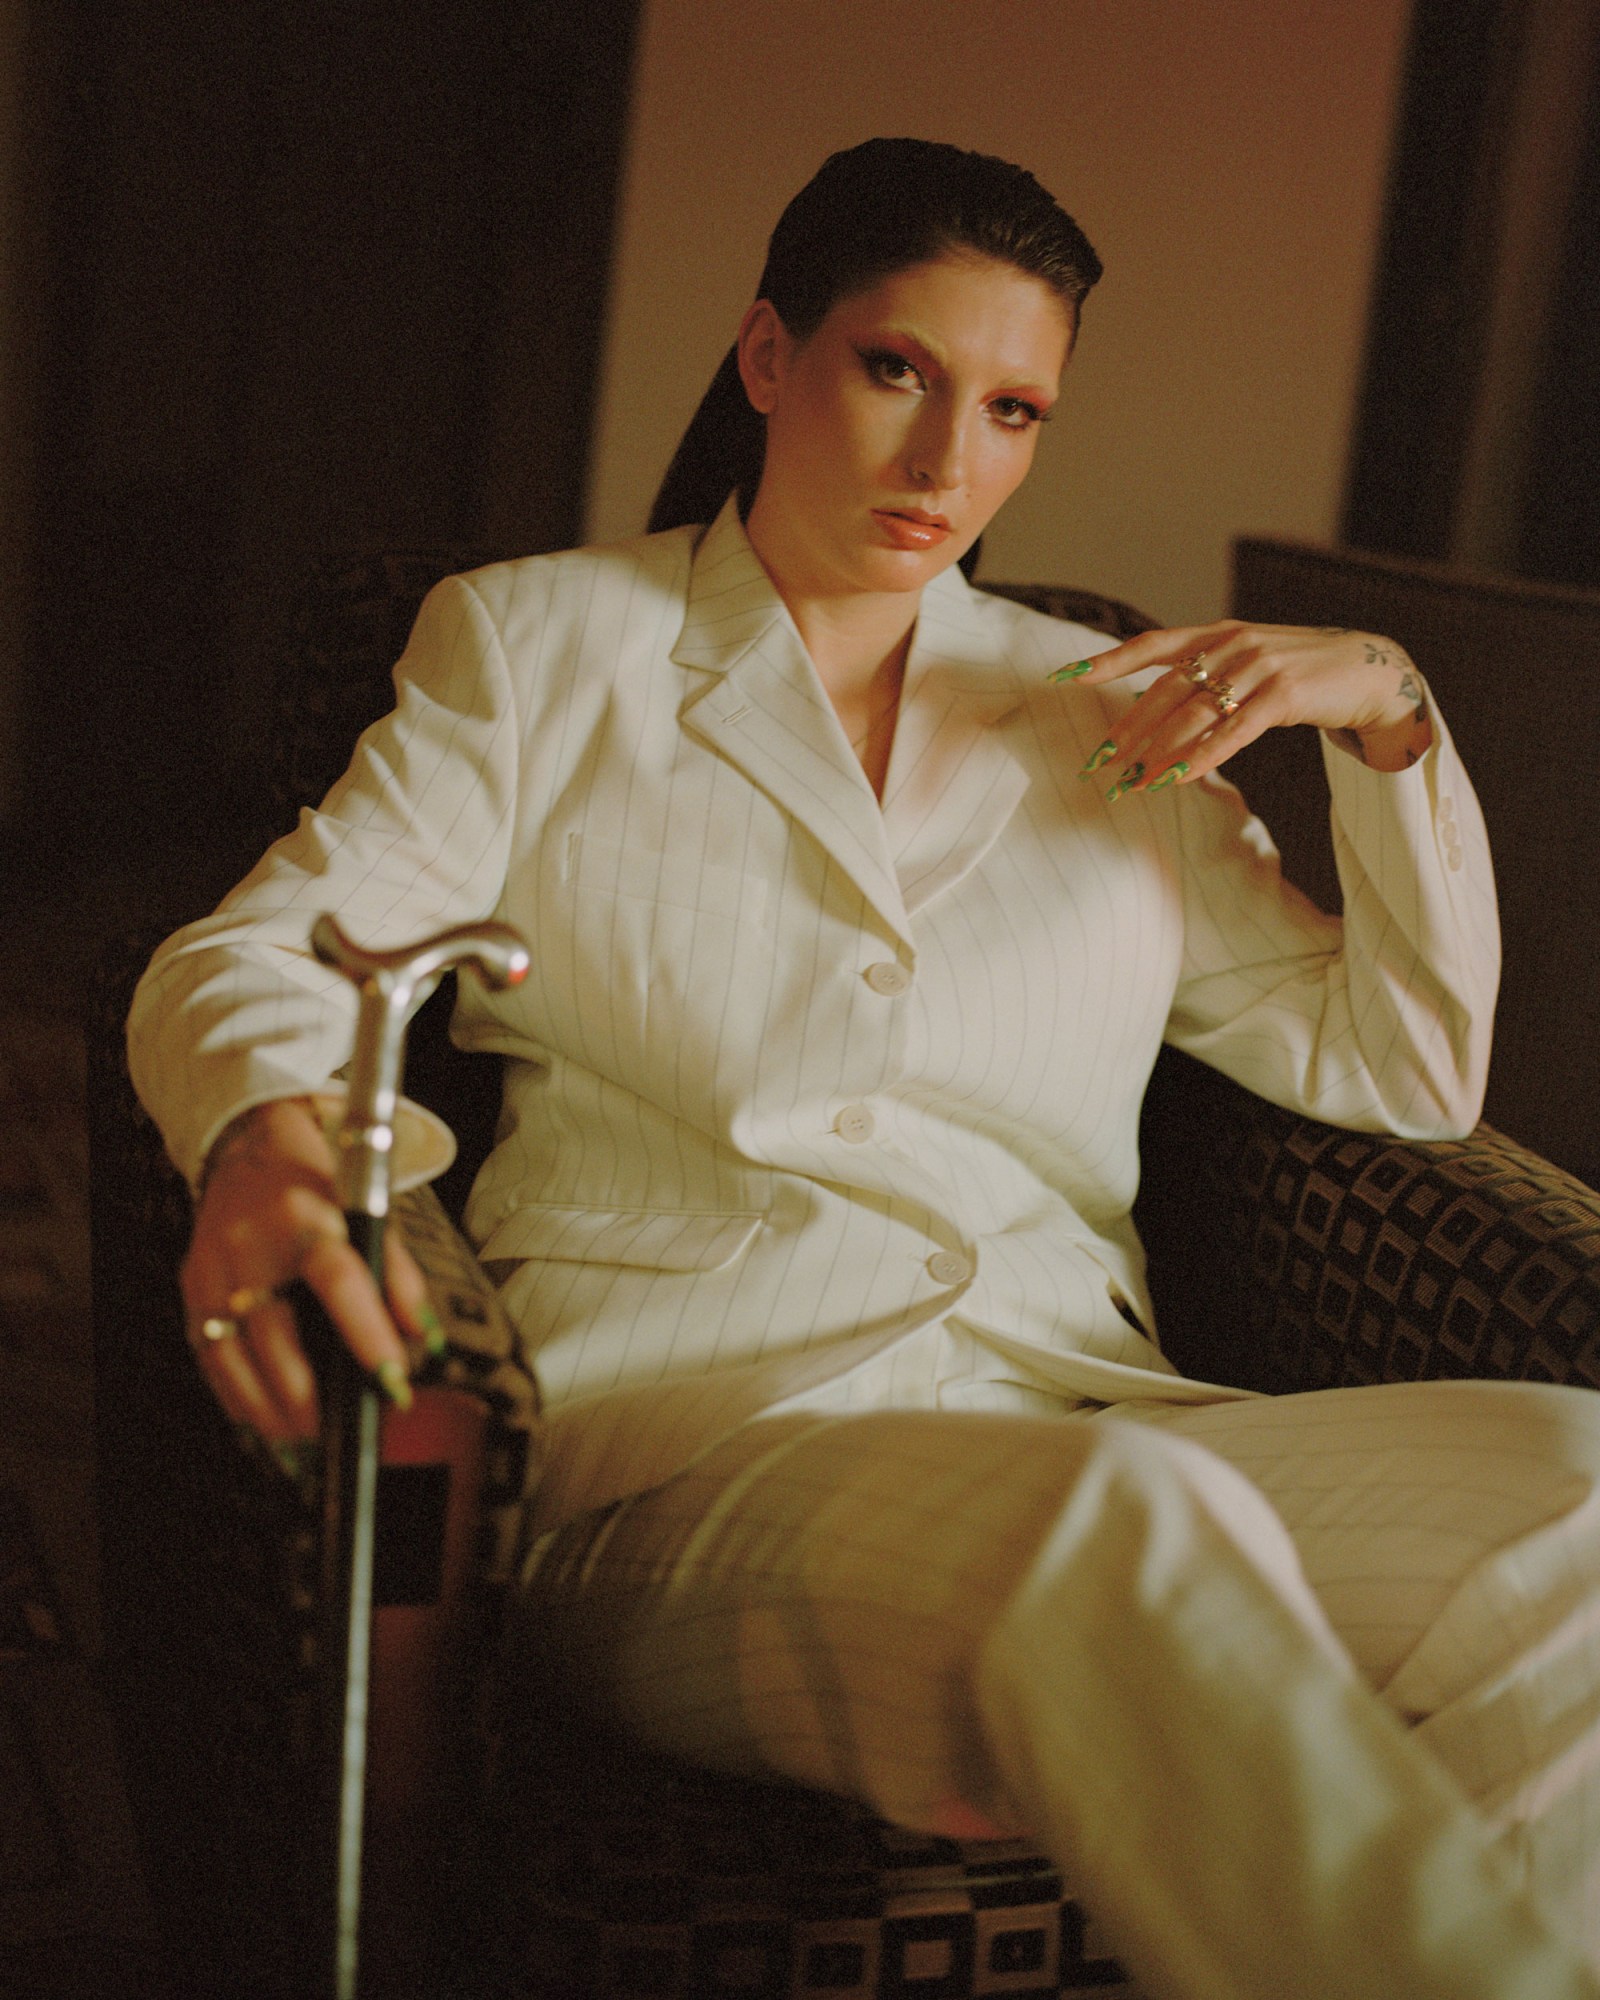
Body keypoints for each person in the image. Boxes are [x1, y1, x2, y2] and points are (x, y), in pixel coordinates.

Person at [129, 138, 1600, 1998]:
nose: (946, 463)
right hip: (694, 1458)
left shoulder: (1099, 711)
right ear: (767, 357)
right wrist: (266, 1138)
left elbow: (1394, 1076)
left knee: (1579, 1492)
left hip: (1078, 1419)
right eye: (895, 372)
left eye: (1010, 409)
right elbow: (256, 947)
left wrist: (1388, 715)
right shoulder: (543, 645)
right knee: (1121, 1524)